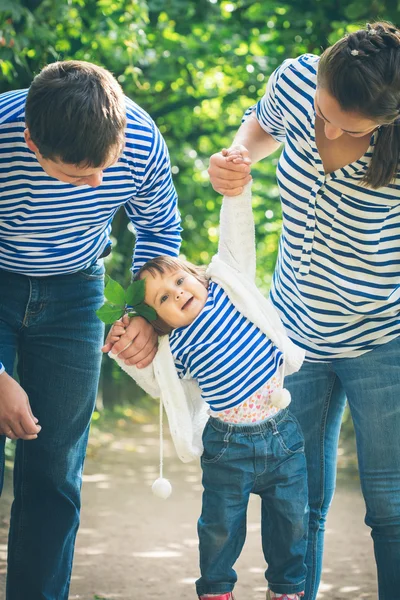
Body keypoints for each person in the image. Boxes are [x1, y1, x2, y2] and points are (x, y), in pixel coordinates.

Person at [207, 20, 400, 600]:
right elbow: (260, 131)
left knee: (391, 506)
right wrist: (237, 156)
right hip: (293, 335)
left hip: (381, 338)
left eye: (350, 124)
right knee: (298, 501)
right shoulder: (295, 79)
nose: (330, 127)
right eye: (326, 108)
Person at [0, 59, 181, 599]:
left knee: (54, 468)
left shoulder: (141, 138)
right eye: (78, 175)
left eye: (106, 165)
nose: (98, 184)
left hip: (79, 289)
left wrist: (144, 314)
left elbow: (158, 227)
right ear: (32, 143)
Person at [110, 172, 308, 600]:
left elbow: (237, 236)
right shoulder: (172, 345)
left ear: (198, 277)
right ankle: (216, 589)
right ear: (159, 318)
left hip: (282, 430)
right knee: (219, 525)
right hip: (227, 446)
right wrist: (124, 351)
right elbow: (156, 382)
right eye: (163, 298)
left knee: (292, 518)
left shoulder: (229, 289)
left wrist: (235, 193)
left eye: (179, 281)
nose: (177, 294)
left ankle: (287, 588)